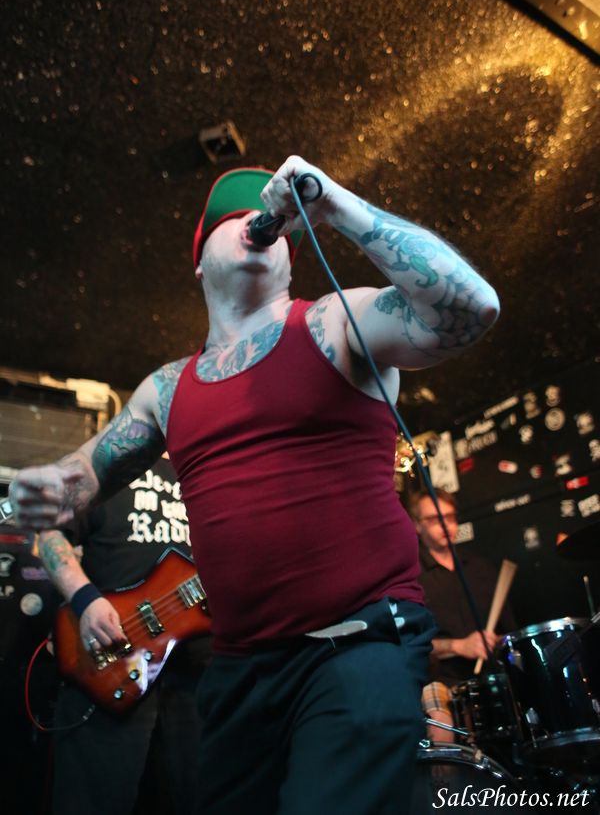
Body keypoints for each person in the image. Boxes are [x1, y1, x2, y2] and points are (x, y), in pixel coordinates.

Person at [10, 156, 500, 815]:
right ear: (199, 262)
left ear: (291, 255)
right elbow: (83, 477)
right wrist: (47, 484)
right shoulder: (166, 389)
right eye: (232, 218)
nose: (257, 223)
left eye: (268, 219)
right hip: (239, 671)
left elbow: (471, 307)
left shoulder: (334, 323)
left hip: (356, 644)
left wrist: (335, 205)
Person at [38, 454, 211, 815]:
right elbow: (51, 532)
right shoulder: (110, 463)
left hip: (197, 676)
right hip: (110, 661)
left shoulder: (210, 473)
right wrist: (85, 600)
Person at [409, 488, 516, 742]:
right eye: (434, 519)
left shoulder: (481, 569)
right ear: (417, 526)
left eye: (449, 517)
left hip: (490, 674)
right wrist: (458, 646)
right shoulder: (412, 578)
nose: (445, 525)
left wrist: (496, 641)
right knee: (440, 724)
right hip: (441, 679)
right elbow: (411, 644)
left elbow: (510, 633)